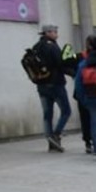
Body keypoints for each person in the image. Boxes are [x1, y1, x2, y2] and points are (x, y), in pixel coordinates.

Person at [32, 24, 72, 153]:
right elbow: (61, 63)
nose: (56, 34)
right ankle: (56, 135)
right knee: (66, 111)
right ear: (48, 33)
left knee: (47, 114)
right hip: (56, 84)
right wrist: (72, 72)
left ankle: (51, 142)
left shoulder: (36, 47)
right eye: (54, 31)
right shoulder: (52, 46)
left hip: (41, 85)